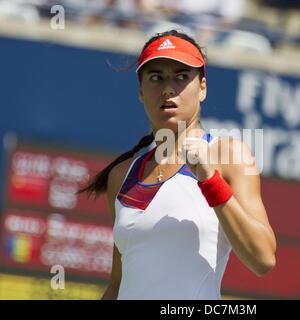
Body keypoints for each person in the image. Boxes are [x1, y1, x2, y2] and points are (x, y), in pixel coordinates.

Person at [79, 29, 277, 300]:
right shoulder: (122, 175)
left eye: (181, 76)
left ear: (203, 87)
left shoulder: (230, 155)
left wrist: (210, 181)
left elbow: (263, 259)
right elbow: (117, 284)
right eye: (156, 77)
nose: (168, 89)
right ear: (140, 91)